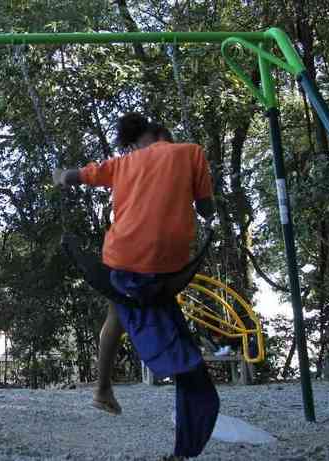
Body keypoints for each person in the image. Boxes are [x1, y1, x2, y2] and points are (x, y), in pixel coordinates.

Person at [53, 113, 218, 459]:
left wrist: (61, 177)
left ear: (135, 142)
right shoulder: (191, 152)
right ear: (162, 132)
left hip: (122, 263)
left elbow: (79, 176)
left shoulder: (121, 164)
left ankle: (102, 388)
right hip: (160, 270)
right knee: (183, 365)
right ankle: (109, 393)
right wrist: (199, 201)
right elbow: (206, 209)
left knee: (118, 311)